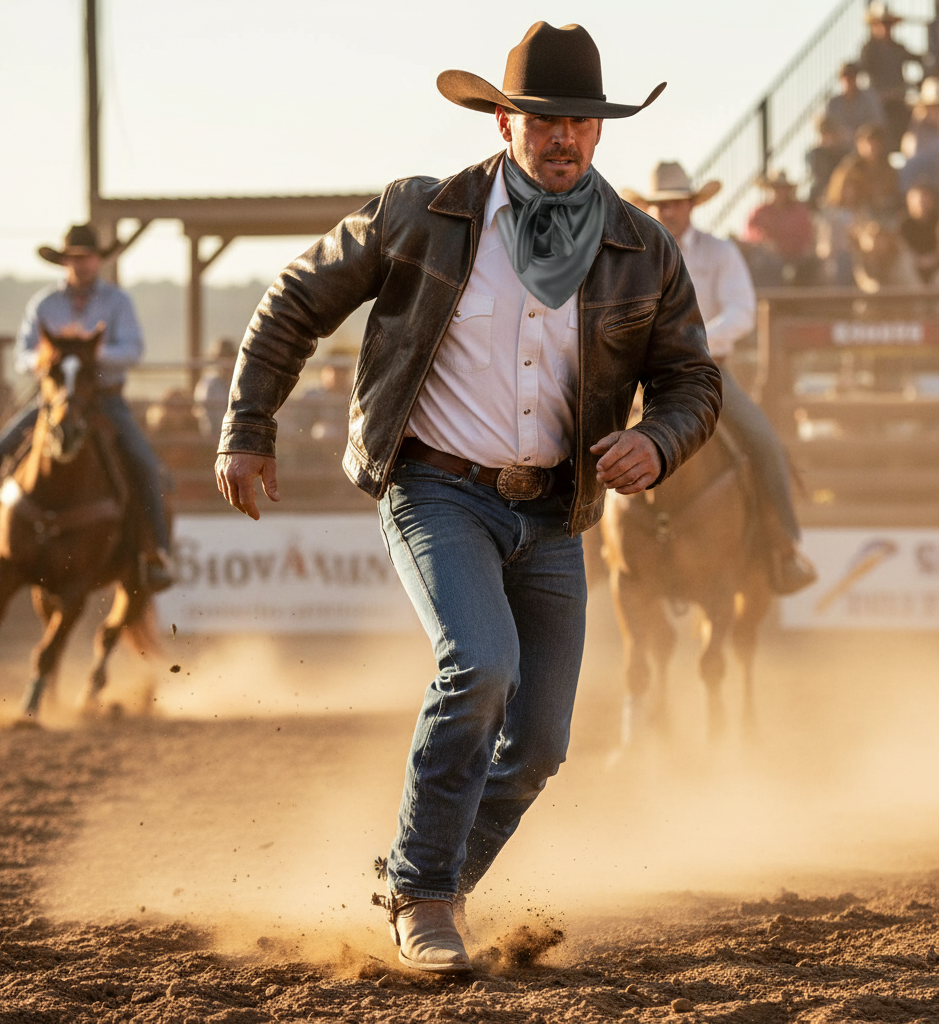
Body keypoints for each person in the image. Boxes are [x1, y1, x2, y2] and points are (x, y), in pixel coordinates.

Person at [215, 22, 721, 975]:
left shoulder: (641, 247)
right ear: (502, 121)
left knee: (539, 746)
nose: (563, 138)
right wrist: (248, 426)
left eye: (580, 121)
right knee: (479, 666)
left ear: (601, 132)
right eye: (542, 120)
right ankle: (428, 899)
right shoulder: (422, 213)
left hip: (554, 516)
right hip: (436, 486)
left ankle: (418, 877)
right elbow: (295, 301)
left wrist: (658, 438)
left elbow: (694, 377)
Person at [0, 224, 174, 591]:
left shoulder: (117, 303)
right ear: (65, 262)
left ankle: (155, 551)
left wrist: (88, 352)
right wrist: (53, 358)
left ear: (98, 260)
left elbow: (133, 350)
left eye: (87, 257)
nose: (81, 264)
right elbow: (23, 355)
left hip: (104, 400)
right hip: (53, 401)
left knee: (144, 463)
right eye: (75, 258)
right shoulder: (45, 304)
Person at [624, 163, 818, 596]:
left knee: (764, 441)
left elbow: (741, 310)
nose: (667, 211)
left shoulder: (718, 253)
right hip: (640, 376)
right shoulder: (634, 254)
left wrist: (688, 342)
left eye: (675, 203)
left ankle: (784, 548)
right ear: (651, 207)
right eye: (660, 204)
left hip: (706, 372)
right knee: (581, 434)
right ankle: (574, 544)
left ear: (691, 205)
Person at [858, 2, 921, 151]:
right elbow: (862, 71)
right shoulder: (869, 50)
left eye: (888, 24)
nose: (885, 28)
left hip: (899, 100)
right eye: (881, 23)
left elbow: (919, 59)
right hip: (879, 103)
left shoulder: (898, 48)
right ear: (874, 26)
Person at [742, 170, 818, 285]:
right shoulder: (760, 212)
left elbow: (805, 236)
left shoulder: (799, 211)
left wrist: (784, 247)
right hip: (768, 261)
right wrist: (766, 242)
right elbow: (752, 233)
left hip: (796, 259)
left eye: (783, 188)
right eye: (776, 188)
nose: (779, 192)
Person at [825, 122, 903, 217]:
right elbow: (835, 198)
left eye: (874, 143)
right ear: (858, 144)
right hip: (853, 216)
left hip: (883, 216)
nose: (870, 147)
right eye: (866, 143)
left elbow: (893, 194)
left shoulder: (888, 169)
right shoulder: (848, 170)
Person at [824, 62, 886, 150]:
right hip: (840, 146)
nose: (848, 80)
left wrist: (862, 134)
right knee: (813, 154)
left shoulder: (869, 98)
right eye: (845, 76)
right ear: (840, 79)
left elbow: (878, 122)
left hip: (865, 145)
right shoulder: (833, 103)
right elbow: (828, 127)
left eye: (851, 76)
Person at [899, 77, 939, 193]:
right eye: (931, 107)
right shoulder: (915, 134)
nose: (935, 111)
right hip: (927, 193)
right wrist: (917, 122)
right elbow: (911, 155)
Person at [193, 337, 238, 438]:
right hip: (214, 439)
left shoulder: (237, 382)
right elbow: (207, 421)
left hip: (233, 436)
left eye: (230, 356)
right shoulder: (209, 384)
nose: (227, 361)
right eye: (223, 357)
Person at [806, 115, 851, 209]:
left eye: (831, 134)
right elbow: (819, 178)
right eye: (824, 134)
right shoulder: (815, 154)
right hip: (819, 198)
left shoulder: (845, 153)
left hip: (842, 199)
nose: (829, 138)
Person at [899, 179, 939, 284]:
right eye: (917, 198)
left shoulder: (937, 221)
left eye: (925, 196)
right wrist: (918, 261)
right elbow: (902, 250)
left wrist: (933, 259)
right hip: (912, 271)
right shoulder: (903, 224)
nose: (921, 201)